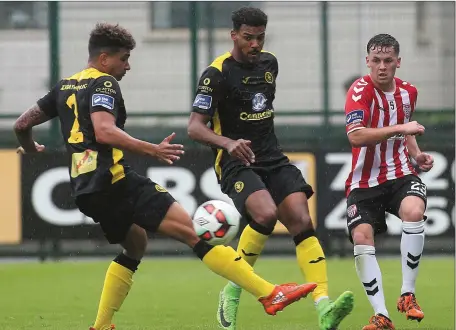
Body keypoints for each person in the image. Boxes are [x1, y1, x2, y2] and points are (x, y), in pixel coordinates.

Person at [13, 23, 319, 330]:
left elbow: (22, 124)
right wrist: (152, 150)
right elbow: (104, 131)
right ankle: (269, 294)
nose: (127, 66)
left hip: (86, 187)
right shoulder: (104, 84)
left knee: (135, 244)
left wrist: (30, 148)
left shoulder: (65, 86)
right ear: (104, 59)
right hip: (115, 180)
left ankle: (102, 325)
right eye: (124, 58)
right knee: (194, 235)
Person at [188, 7, 354, 330]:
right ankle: (232, 292)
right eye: (248, 38)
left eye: (260, 37)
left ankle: (324, 307)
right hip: (236, 160)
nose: (255, 44)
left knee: (302, 218)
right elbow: (195, 127)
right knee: (264, 214)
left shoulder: (269, 64)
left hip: (272, 156)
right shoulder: (216, 73)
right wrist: (227, 143)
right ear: (233, 34)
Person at [344, 33, 434, 330]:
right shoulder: (359, 91)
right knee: (362, 237)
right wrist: (400, 127)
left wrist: (417, 155)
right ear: (367, 62)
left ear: (398, 62)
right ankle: (381, 315)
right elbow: (356, 135)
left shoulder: (409, 92)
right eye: (376, 61)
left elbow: (406, 131)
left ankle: (408, 295)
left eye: (387, 61)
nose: (381, 67)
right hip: (364, 181)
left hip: (399, 173)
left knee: (414, 211)